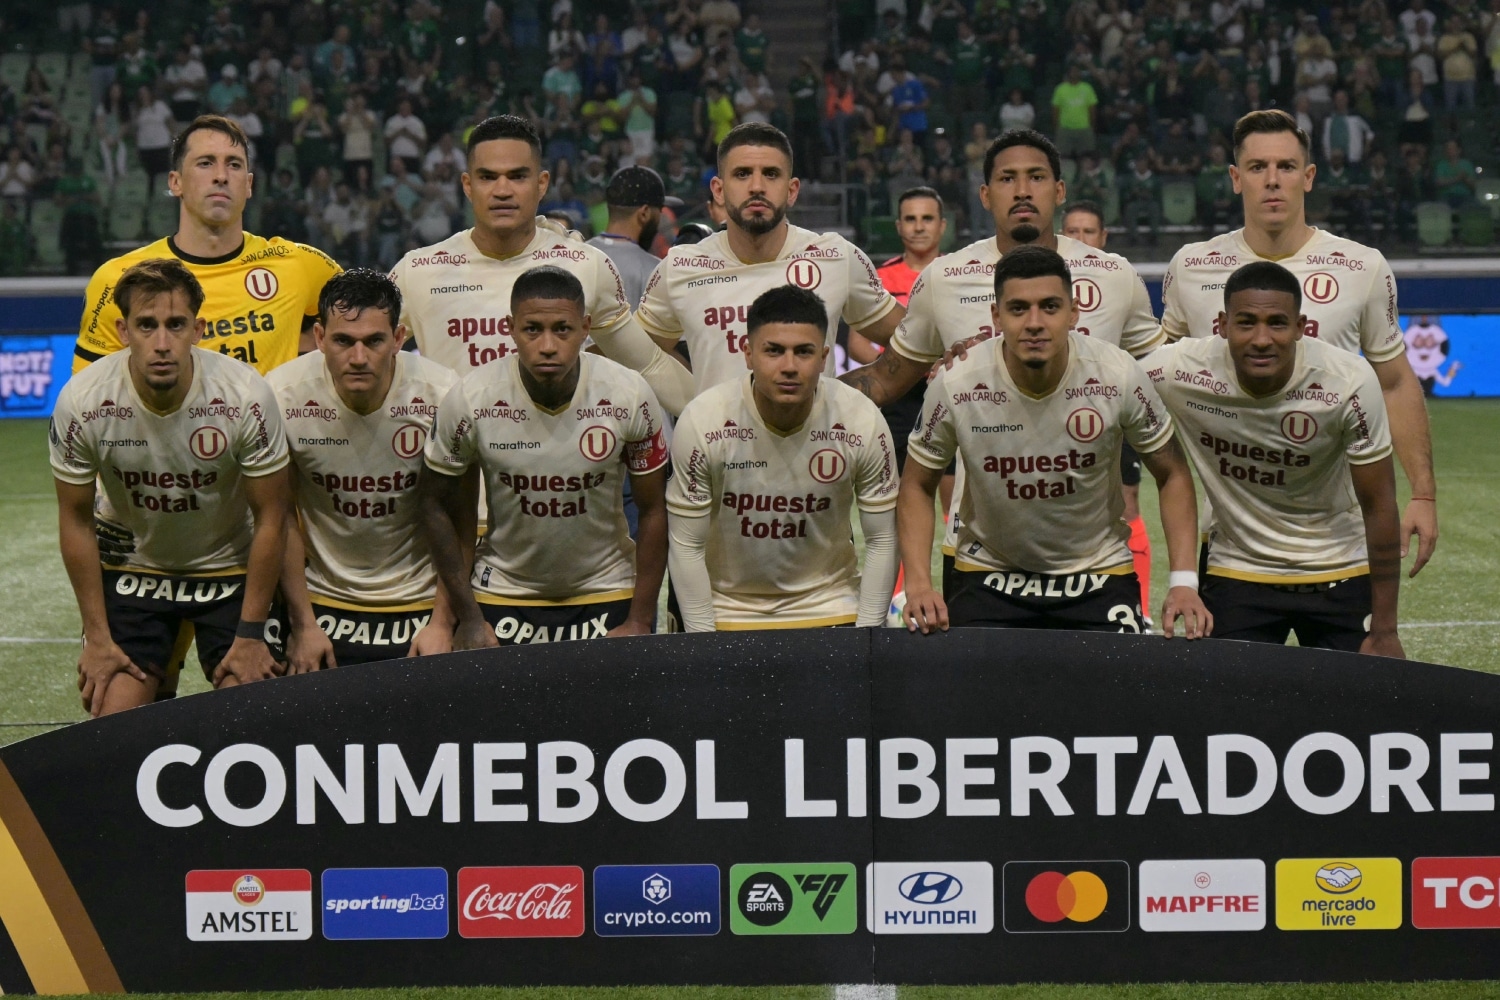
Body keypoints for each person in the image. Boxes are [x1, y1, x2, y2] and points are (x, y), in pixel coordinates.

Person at [841, 130, 1161, 604]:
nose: (1024, 190)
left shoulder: (1114, 276)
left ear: (1060, 190)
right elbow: (887, 379)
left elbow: (1165, 376)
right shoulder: (946, 278)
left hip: (1095, 557)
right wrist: (797, 396)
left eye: (1036, 177)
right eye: (1008, 179)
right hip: (984, 557)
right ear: (986, 195)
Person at [1159, 110, 1439, 578]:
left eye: (1286, 167)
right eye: (1257, 168)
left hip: (1340, 537)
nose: (1272, 181)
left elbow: (1393, 383)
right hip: (1230, 538)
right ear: (1235, 178)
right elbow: (1155, 378)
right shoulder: (1190, 266)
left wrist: (1424, 495)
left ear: (1308, 177)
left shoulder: (1361, 267)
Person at [898, 246, 1209, 638]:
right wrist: (919, 585)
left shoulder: (1117, 375)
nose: (1034, 322)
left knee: (1110, 698)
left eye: (1049, 307)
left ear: (1074, 312)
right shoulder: (957, 382)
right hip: (989, 572)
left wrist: (1183, 581)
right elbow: (915, 484)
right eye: (1017, 309)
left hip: (1097, 573)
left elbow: (1173, 474)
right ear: (996, 316)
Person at [50, 258, 290, 716]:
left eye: (176, 325)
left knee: (257, 716)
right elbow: (75, 519)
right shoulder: (83, 400)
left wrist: (251, 634)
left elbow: (272, 518)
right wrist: (97, 638)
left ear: (198, 329)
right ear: (122, 330)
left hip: (229, 569)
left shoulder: (244, 396)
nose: (162, 343)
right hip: (136, 569)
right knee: (112, 727)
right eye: (146, 325)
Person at [1150, 261, 1403, 657]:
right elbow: (1113, 386)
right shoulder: (1179, 370)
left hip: (1339, 567)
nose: (1262, 339)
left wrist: (1386, 629)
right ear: (1222, 325)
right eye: (1246, 322)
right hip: (1236, 569)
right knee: (1224, 711)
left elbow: (1379, 503)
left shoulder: (1348, 381)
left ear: (1301, 327)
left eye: (1278, 324)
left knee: (1357, 712)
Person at [421, 265, 670, 648]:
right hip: (503, 592)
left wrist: (639, 619)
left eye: (563, 329)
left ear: (586, 328)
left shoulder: (628, 394)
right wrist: (468, 615)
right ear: (511, 328)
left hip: (607, 591)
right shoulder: (472, 398)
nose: (548, 345)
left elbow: (654, 509)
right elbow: (435, 505)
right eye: (532, 329)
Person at [390, 115, 692, 416]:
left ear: (542, 183)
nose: (502, 190)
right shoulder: (419, 270)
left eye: (518, 176)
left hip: (560, 461)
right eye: (488, 177)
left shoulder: (586, 265)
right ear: (468, 185)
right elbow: (355, 346)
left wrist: (715, 422)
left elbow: (649, 363)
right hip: (453, 460)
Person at [666, 285, 900, 631]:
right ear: (747, 353)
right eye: (773, 351)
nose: (789, 366)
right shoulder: (704, 420)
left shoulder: (860, 419)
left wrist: (865, 636)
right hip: (728, 610)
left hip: (830, 604)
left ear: (824, 358)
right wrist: (704, 642)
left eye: (803, 352)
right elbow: (686, 544)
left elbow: (883, 539)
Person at [268, 269, 460, 669]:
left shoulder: (444, 396)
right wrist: (303, 625)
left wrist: (443, 622)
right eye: (343, 341)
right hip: (322, 602)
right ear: (320, 338)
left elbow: (460, 521)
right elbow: (279, 516)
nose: (358, 358)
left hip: (421, 602)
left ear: (398, 339)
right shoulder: (281, 395)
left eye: (374, 341)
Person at [636, 122, 904, 399]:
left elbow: (913, 341)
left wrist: (841, 398)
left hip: (815, 443)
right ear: (718, 190)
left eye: (771, 174)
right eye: (742, 174)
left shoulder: (835, 256)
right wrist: (692, 402)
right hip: (717, 442)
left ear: (791, 190)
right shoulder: (681, 265)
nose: (756, 186)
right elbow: (632, 356)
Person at [74, 115, 340, 376]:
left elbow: (368, 314)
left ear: (248, 185)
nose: (221, 176)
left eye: (234, 165)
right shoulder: (118, 280)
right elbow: (85, 406)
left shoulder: (298, 264)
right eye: (205, 163)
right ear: (175, 182)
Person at [1061, 198, 1154, 616]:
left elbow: (1147, 348)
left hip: (1111, 415)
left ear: (1103, 237)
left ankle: (1142, 608)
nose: (1080, 240)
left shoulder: (1120, 279)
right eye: (1072, 232)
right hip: (1050, 416)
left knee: (1127, 501)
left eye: (1088, 232)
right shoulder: (1044, 280)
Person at [585, 165, 682, 308]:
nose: (661, 217)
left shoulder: (577, 256)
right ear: (645, 213)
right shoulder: (655, 271)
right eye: (660, 210)